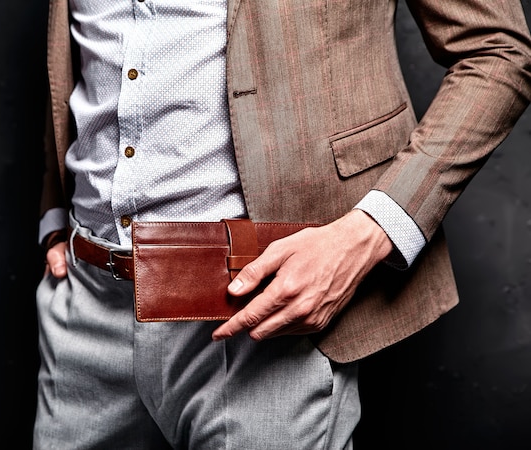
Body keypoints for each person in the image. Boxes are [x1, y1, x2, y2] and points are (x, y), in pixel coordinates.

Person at [34, 1, 531, 448]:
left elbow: (496, 49)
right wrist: (56, 211)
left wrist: (371, 231)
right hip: (84, 302)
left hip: (263, 314)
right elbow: (93, 50)